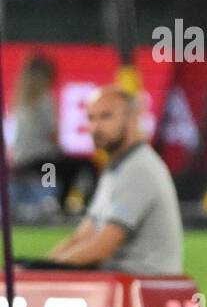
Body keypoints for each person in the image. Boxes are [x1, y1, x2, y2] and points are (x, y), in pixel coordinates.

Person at [46, 86, 183, 276]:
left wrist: (44, 271)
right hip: (123, 279)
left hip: (144, 284)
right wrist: (41, 268)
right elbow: (83, 236)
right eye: (91, 118)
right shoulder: (118, 167)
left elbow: (101, 247)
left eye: (106, 116)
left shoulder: (139, 169)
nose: (95, 127)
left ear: (132, 119)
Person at [9, 53, 96, 214]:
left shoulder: (19, 100)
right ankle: (66, 206)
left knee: (63, 167)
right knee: (85, 166)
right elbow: (52, 133)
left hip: (20, 160)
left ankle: (58, 203)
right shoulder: (44, 98)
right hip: (41, 160)